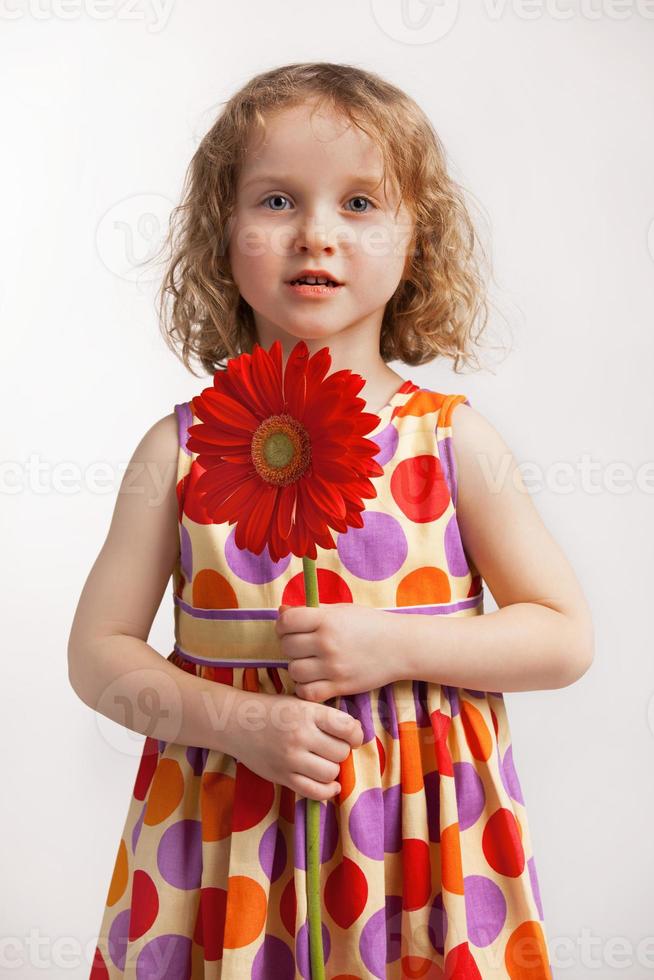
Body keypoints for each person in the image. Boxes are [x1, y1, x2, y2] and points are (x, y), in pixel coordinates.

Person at [68, 62, 594, 979]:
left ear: (415, 240)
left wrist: (396, 647)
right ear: (221, 234)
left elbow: (561, 638)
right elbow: (98, 654)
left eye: (359, 204)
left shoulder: (451, 443)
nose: (316, 233)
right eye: (277, 200)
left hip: (421, 842)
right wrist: (234, 721)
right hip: (226, 833)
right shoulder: (179, 451)